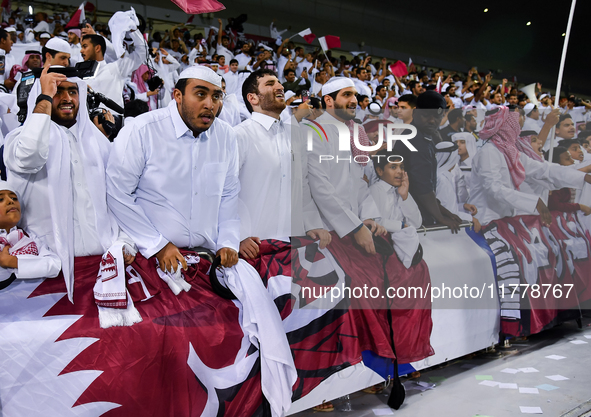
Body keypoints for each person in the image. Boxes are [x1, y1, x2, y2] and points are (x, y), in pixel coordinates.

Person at [105, 66, 295, 417]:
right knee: (163, 341)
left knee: (244, 327)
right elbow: (117, 194)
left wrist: (228, 242)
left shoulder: (224, 136)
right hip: (153, 260)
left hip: (208, 263)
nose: (210, 104)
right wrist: (158, 244)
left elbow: (228, 196)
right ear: (177, 95)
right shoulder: (143, 131)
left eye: (217, 96)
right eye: (201, 94)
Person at [3, 65, 135, 302]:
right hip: (48, 274)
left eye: (72, 91)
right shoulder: (18, 140)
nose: (66, 98)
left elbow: (119, 197)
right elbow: (30, 155)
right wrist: (44, 97)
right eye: (57, 91)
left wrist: (124, 241)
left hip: (105, 267)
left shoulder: (98, 143)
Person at [470, 106, 591, 227]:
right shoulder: (489, 152)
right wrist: (535, 202)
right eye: (513, 125)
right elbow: (494, 188)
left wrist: (583, 177)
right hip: (484, 220)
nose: (517, 129)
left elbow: (545, 170)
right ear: (503, 127)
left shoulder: (510, 152)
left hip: (503, 220)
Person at [393, 90, 463, 232]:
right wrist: (440, 217)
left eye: (437, 117)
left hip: (417, 208)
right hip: (409, 213)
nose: (432, 121)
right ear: (415, 112)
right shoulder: (415, 139)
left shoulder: (424, 136)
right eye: (426, 115)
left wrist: (444, 211)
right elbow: (421, 186)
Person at [0, 181, 61, 285]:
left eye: (14, 198)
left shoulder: (30, 237)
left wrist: (13, 262)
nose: (10, 201)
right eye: (1, 199)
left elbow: (54, 265)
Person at [80, 20, 146, 111]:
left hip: (113, 121)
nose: (81, 51)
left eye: (84, 46)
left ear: (98, 48)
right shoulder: (79, 73)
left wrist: (133, 30)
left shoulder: (116, 69)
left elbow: (141, 53)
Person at [548, 147, 591, 216]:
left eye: (571, 158)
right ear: (556, 164)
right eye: (567, 159)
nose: (572, 161)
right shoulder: (555, 183)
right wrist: (579, 207)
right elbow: (554, 204)